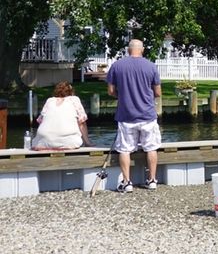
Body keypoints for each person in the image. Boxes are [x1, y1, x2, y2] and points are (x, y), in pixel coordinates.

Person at [107, 39, 162, 193]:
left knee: (124, 149)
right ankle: (151, 180)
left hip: (126, 115)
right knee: (151, 148)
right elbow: (157, 92)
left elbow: (111, 91)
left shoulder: (117, 66)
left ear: (128, 50)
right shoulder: (151, 66)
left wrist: (122, 96)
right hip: (147, 115)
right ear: (142, 50)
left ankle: (127, 182)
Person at [32, 81, 94, 150]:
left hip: (43, 142)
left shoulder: (49, 101)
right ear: (71, 92)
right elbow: (82, 122)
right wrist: (87, 142)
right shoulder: (74, 99)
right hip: (68, 142)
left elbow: (41, 121)